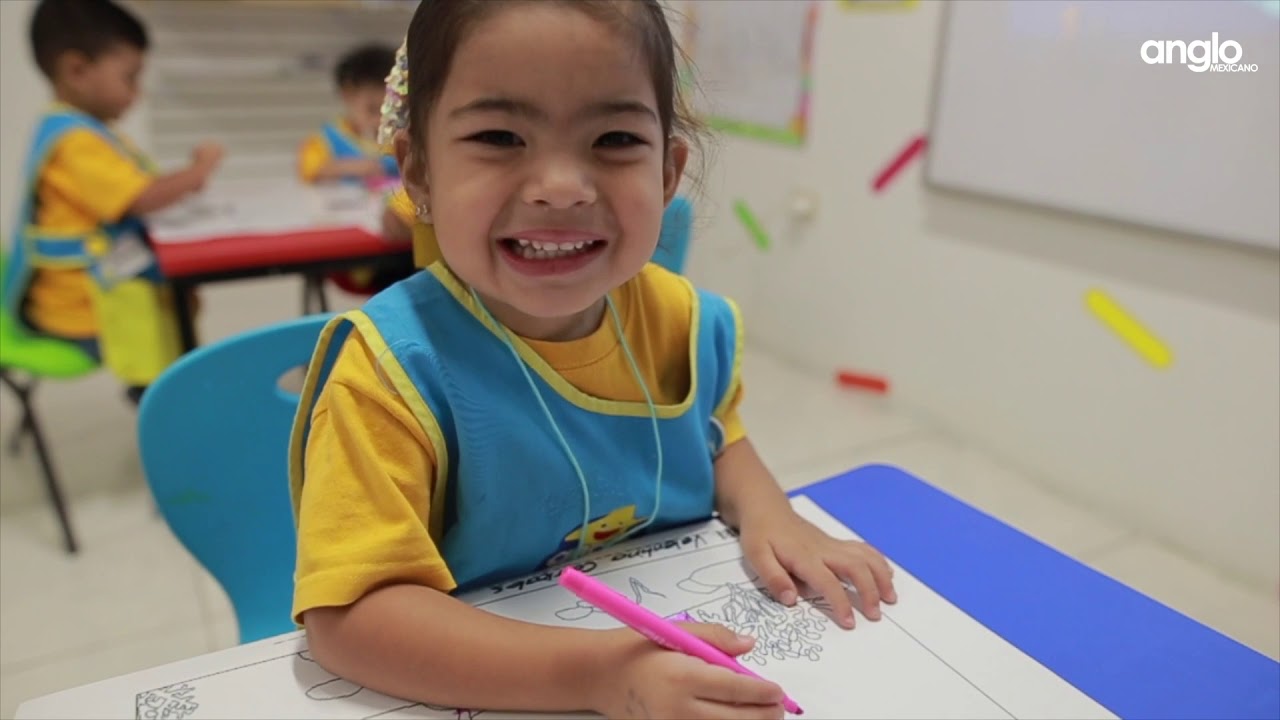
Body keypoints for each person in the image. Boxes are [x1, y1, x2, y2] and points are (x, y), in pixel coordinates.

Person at [289, 2, 898, 718]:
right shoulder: (390, 371)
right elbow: (350, 616)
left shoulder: (683, 320)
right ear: (417, 173)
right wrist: (598, 676)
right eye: (498, 136)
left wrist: (772, 513)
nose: (562, 186)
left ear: (669, 173)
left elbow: (716, 436)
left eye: (613, 138)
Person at [4, 0, 223, 401]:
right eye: (130, 78)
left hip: (89, 289)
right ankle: (160, 396)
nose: (137, 94)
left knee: (178, 300)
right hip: (74, 310)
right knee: (168, 311)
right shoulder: (76, 141)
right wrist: (198, 172)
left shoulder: (87, 131)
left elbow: (136, 186)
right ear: (76, 71)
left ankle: (169, 387)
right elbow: (140, 196)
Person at [297, 43, 399, 185]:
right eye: (373, 110)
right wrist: (353, 167)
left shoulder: (403, 139)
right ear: (347, 95)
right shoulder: (327, 139)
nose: (380, 120)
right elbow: (310, 171)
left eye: (392, 111)